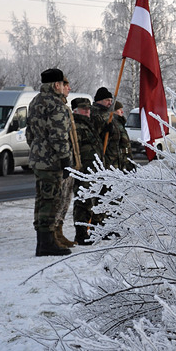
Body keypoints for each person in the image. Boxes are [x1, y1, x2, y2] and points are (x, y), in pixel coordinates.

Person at [26, 68, 72, 256]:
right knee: (51, 201)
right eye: (62, 84)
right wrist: (65, 159)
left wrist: (37, 150)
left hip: (38, 159)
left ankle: (44, 241)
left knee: (42, 199)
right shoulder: (56, 105)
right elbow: (59, 136)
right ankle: (46, 244)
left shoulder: (35, 101)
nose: (63, 87)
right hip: (52, 161)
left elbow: (29, 132)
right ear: (56, 85)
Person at [71, 97, 104, 244]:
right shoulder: (76, 126)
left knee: (89, 201)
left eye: (89, 108)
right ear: (76, 110)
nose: (88, 111)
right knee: (82, 201)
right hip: (83, 169)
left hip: (92, 168)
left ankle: (86, 231)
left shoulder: (87, 124)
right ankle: (81, 234)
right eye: (85, 109)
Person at [54, 76, 81, 248]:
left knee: (66, 200)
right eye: (66, 85)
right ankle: (54, 234)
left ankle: (60, 231)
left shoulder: (65, 107)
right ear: (58, 85)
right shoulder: (55, 108)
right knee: (58, 200)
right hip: (59, 163)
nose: (69, 88)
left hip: (69, 161)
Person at [90, 87, 120, 168]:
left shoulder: (108, 113)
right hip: (102, 157)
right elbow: (93, 136)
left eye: (111, 101)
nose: (110, 103)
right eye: (107, 100)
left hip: (112, 157)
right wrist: (104, 131)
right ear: (99, 100)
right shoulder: (94, 113)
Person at [113, 101, 136, 171]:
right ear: (113, 111)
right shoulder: (113, 124)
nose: (122, 112)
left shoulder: (120, 123)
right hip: (118, 162)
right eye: (119, 110)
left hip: (125, 160)